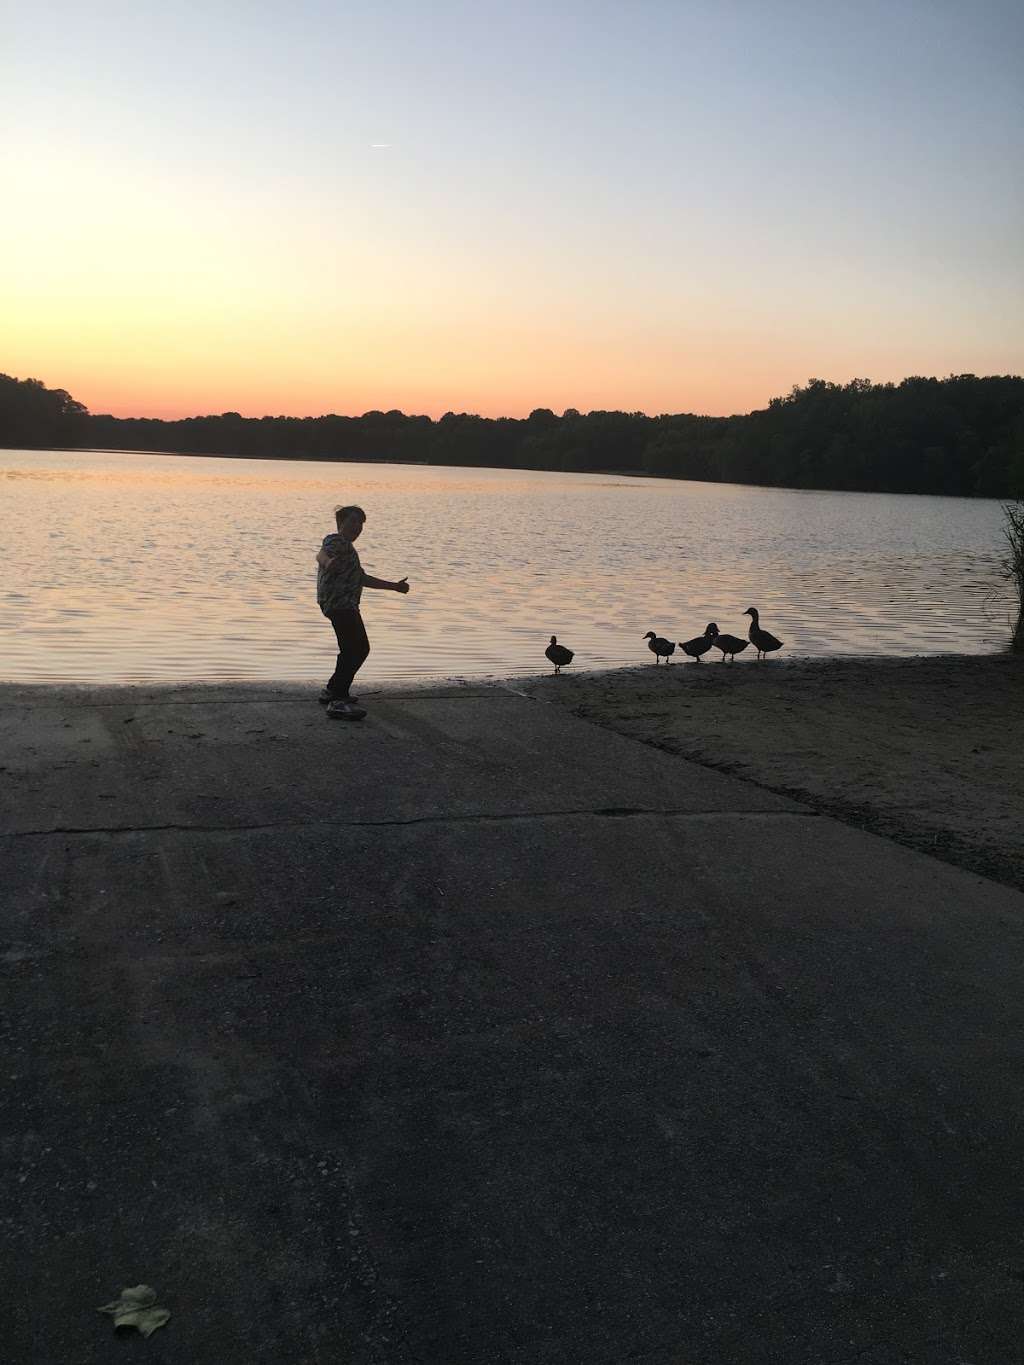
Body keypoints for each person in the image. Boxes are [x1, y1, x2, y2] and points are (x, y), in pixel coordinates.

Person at [316, 504, 410, 720]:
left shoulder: (348, 548)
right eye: (352, 521)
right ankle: (337, 701)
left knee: (353, 649)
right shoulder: (336, 541)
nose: (357, 526)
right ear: (341, 524)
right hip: (340, 605)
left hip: (342, 605)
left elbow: (362, 578)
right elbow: (321, 554)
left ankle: (332, 690)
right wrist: (328, 562)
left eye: (360, 523)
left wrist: (394, 587)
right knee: (356, 649)